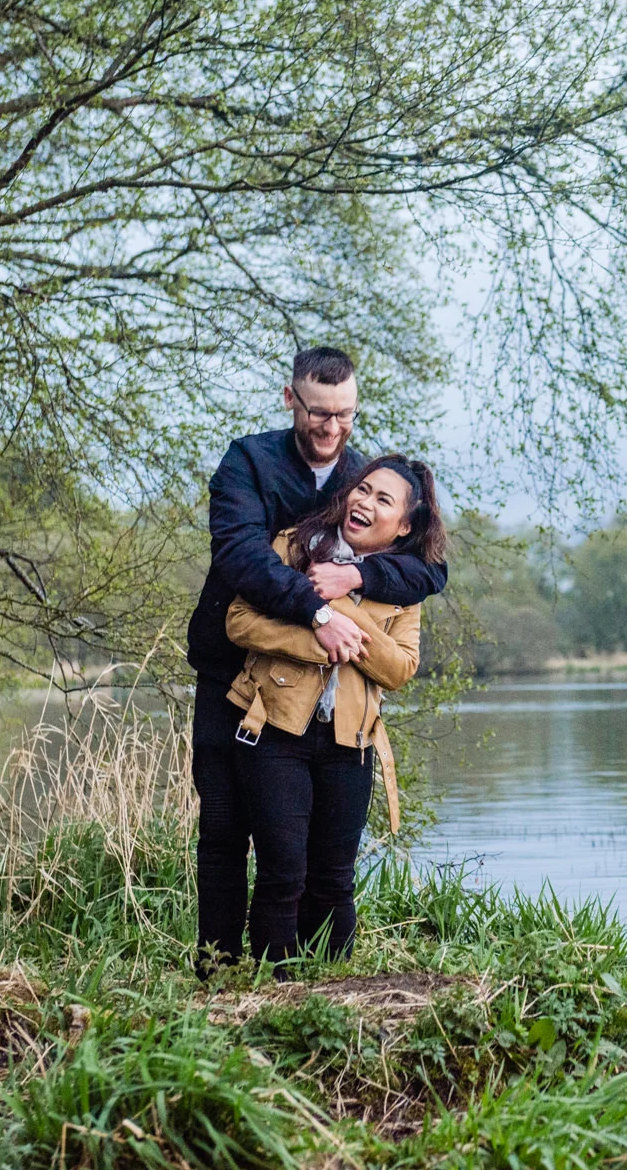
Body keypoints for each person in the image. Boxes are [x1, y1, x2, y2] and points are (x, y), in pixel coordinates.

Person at [186, 348, 446, 975]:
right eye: (319, 413)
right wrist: (318, 612)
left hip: (327, 704)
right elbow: (243, 558)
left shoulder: (365, 478)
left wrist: (354, 573)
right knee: (225, 832)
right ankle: (218, 972)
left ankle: (313, 982)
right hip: (231, 670)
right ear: (291, 401)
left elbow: (428, 568)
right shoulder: (246, 462)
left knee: (320, 864)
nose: (332, 428)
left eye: (346, 415)